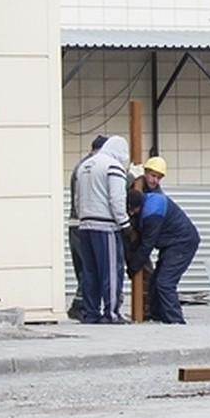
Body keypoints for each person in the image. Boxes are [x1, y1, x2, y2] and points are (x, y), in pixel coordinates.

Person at [131, 159, 200, 324]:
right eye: (152, 175)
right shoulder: (142, 192)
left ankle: (175, 321)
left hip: (182, 242)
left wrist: (133, 266)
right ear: (145, 173)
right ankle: (158, 317)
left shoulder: (153, 207)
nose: (154, 180)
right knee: (156, 282)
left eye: (158, 177)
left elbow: (147, 244)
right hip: (173, 242)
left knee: (164, 283)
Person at [74, 134, 131, 323]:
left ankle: (91, 313)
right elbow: (117, 198)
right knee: (111, 271)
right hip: (105, 226)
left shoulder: (85, 166)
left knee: (90, 272)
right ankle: (111, 313)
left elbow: (77, 198)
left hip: (84, 225)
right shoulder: (113, 166)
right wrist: (124, 224)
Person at [66, 135, 107, 320]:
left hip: (76, 223)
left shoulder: (80, 166)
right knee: (89, 267)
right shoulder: (91, 167)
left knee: (83, 268)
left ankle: (83, 304)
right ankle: (80, 305)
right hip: (85, 223)